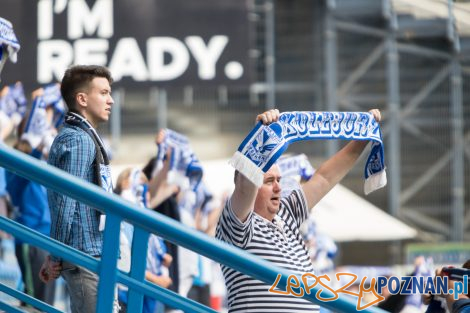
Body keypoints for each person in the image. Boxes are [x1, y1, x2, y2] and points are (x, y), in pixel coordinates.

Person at [216, 108, 381, 312]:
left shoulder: (287, 214)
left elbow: (325, 178)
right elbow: (244, 183)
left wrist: (363, 135)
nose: (278, 187)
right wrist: (261, 139)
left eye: (279, 180)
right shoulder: (239, 225)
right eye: (269, 181)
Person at [39, 65, 117, 313]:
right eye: (103, 93)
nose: (111, 100)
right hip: (86, 255)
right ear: (82, 99)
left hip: (93, 253)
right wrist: (54, 255)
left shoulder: (83, 136)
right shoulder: (79, 139)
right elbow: (65, 202)